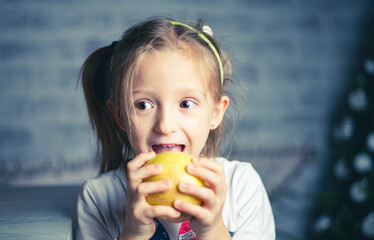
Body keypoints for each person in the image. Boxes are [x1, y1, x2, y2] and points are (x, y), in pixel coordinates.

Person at [68, 17, 275, 240]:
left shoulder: (241, 186)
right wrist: (134, 233)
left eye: (186, 104)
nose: (165, 126)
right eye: (143, 105)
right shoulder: (98, 199)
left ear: (215, 113)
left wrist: (213, 230)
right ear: (120, 115)